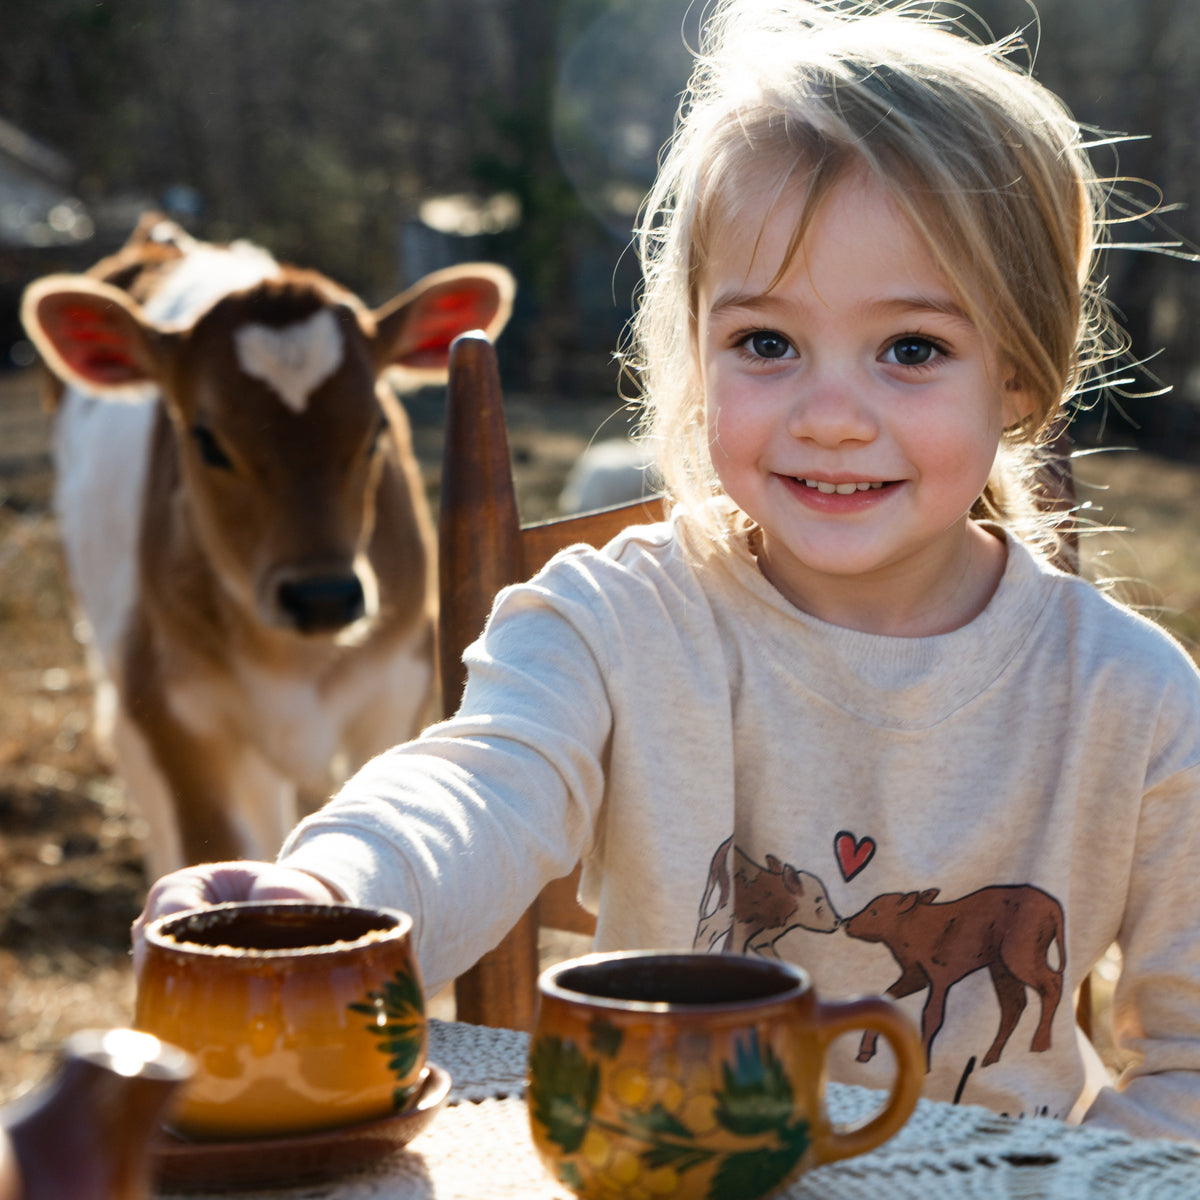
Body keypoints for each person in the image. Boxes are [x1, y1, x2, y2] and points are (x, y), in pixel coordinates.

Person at [132, 0, 1200, 1140]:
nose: (830, 417)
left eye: (912, 350)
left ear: (1022, 380)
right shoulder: (608, 622)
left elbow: (1187, 1066)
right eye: (766, 344)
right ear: (692, 351)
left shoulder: (1131, 698)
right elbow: (477, 786)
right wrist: (329, 892)